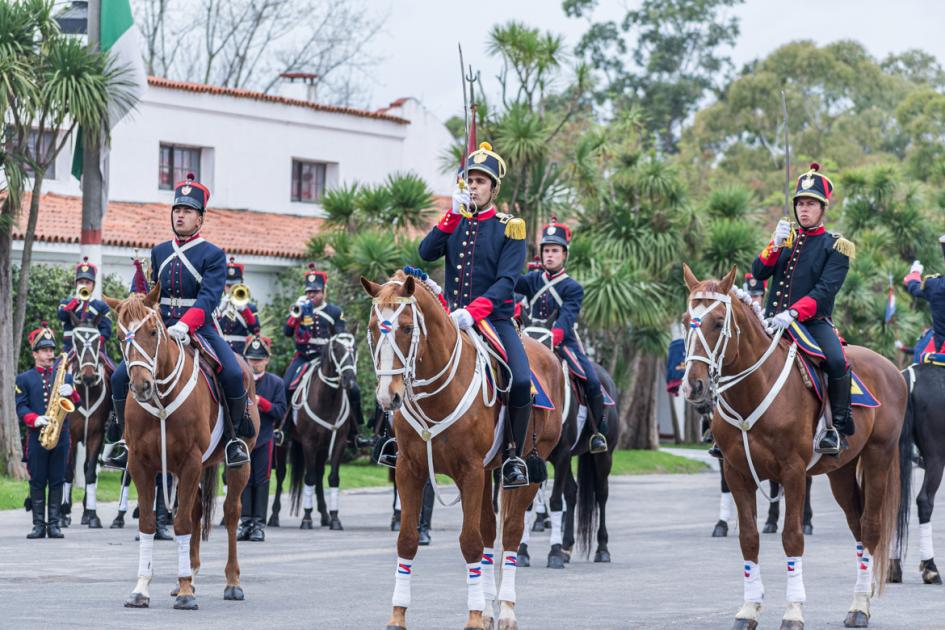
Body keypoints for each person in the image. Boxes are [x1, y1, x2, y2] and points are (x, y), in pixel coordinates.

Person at [106, 173, 254, 469]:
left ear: (200, 218)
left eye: (187, 211)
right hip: (158, 328)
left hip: (199, 327)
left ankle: (235, 439)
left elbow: (209, 297)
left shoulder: (212, 254)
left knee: (235, 374)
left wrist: (185, 324)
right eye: (177, 210)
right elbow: (151, 294)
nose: (180, 216)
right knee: (120, 376)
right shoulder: (160, 251)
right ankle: (124, 439)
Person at [418, 141, 531, 487]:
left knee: (522, 380)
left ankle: (513, 456)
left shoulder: (509, 227)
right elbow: (425, 252)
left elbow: (507, 282)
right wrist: (452, 214)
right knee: (406, 360)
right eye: (470, 179)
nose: (475, 186)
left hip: (492, 319)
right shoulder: (456, 221)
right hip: (450, 318)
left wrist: (473, 312)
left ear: (494, 188)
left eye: (482, 181)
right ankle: (394, 441)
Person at [752, 163, 855, 455]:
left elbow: (824, 290)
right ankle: (723, 427)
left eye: (810, 204)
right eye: (800, 204)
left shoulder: (836, 246)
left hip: (811, 322)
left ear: (822, 208)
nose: (804, 210)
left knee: (836, 361)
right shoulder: (786, 240)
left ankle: (835, 429)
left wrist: (794, 313)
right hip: (772, 323)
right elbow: (759, 272)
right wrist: (774, 244)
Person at [516, 217, 607, 454]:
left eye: (555, 250)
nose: (549, 255)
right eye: (546, 250)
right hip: (529, 339)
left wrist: (555, 336)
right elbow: (513, 289)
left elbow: (568, 316)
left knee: (592, 380)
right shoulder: (533, 279)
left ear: (564, 255)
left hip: (562, 340)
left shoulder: (572, 287)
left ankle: (598, 432)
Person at [282, 264, 364, 447]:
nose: (311, 295)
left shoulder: (334, 312)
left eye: (316, 292)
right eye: (309, 292)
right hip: (304, 357)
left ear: (324, 291)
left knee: (354, 389)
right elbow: (287, 332)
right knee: (286, 385)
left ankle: (355, 432)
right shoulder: (300, 308)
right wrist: (295, 316)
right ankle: (283, 428)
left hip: (328, 359)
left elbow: (341, 335)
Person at [15, 324, 80, 539]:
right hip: (37, 436)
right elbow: (21, 407)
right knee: (37, 480)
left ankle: (54, 524)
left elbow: (76, 406)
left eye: (51, 349)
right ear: (35, 353)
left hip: (60, 435)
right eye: (44, 350)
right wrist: (35, 419)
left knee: (57, 479)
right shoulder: (24, 379)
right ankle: (38, 525)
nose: (49, 353)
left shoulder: (65, 377)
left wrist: (72, 392)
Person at [239, 335, 287, 542]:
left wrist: (262, 403)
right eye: (251, 359)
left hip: (264, 438)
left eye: (259, 360)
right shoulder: (240, 379)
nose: (255, 363)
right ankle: (245, 522)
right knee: (244, 481)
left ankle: (258, 524)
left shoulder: (275, 382)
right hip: (243, 438)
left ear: (266, 360)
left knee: (261, 481)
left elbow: (280, 410)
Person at [57, 257, 113, 358]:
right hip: (70, 350)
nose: (84, 285)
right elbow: (62, 316)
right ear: (76, 284)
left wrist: (94, 344)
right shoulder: (66, 303)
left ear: (93, 285)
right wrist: (75, 301)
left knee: (113, 371)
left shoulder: (101, 306)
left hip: (95, 351)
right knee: (56, 371)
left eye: (88, 282)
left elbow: (107, 330)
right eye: (81, 282)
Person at [215, 256, 260, 355]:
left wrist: (245, 310)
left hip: (241, 351)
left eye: (234, 286)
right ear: (223, 286)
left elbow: (256, 330)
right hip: (219, 348)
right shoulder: (216, 305)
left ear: (241, 285)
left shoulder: (250, 308)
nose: (231, 289)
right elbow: (209, 326)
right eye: (228, 286)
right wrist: (220, 310)